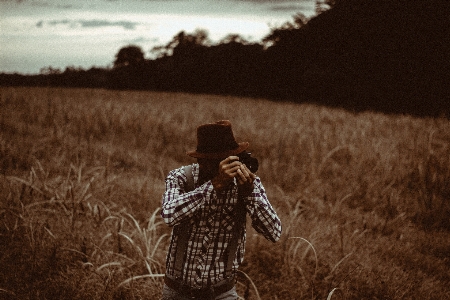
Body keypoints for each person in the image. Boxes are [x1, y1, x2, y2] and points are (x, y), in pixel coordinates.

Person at [161, 120, 282, 300]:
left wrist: (249, 194)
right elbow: (169, 215)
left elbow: (274, 232)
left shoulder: (246, 183)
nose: (224, 167)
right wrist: (214, 185)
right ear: (202, 161)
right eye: (218, 160)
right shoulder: (181, 178)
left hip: (221, 292)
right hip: (178, 290)